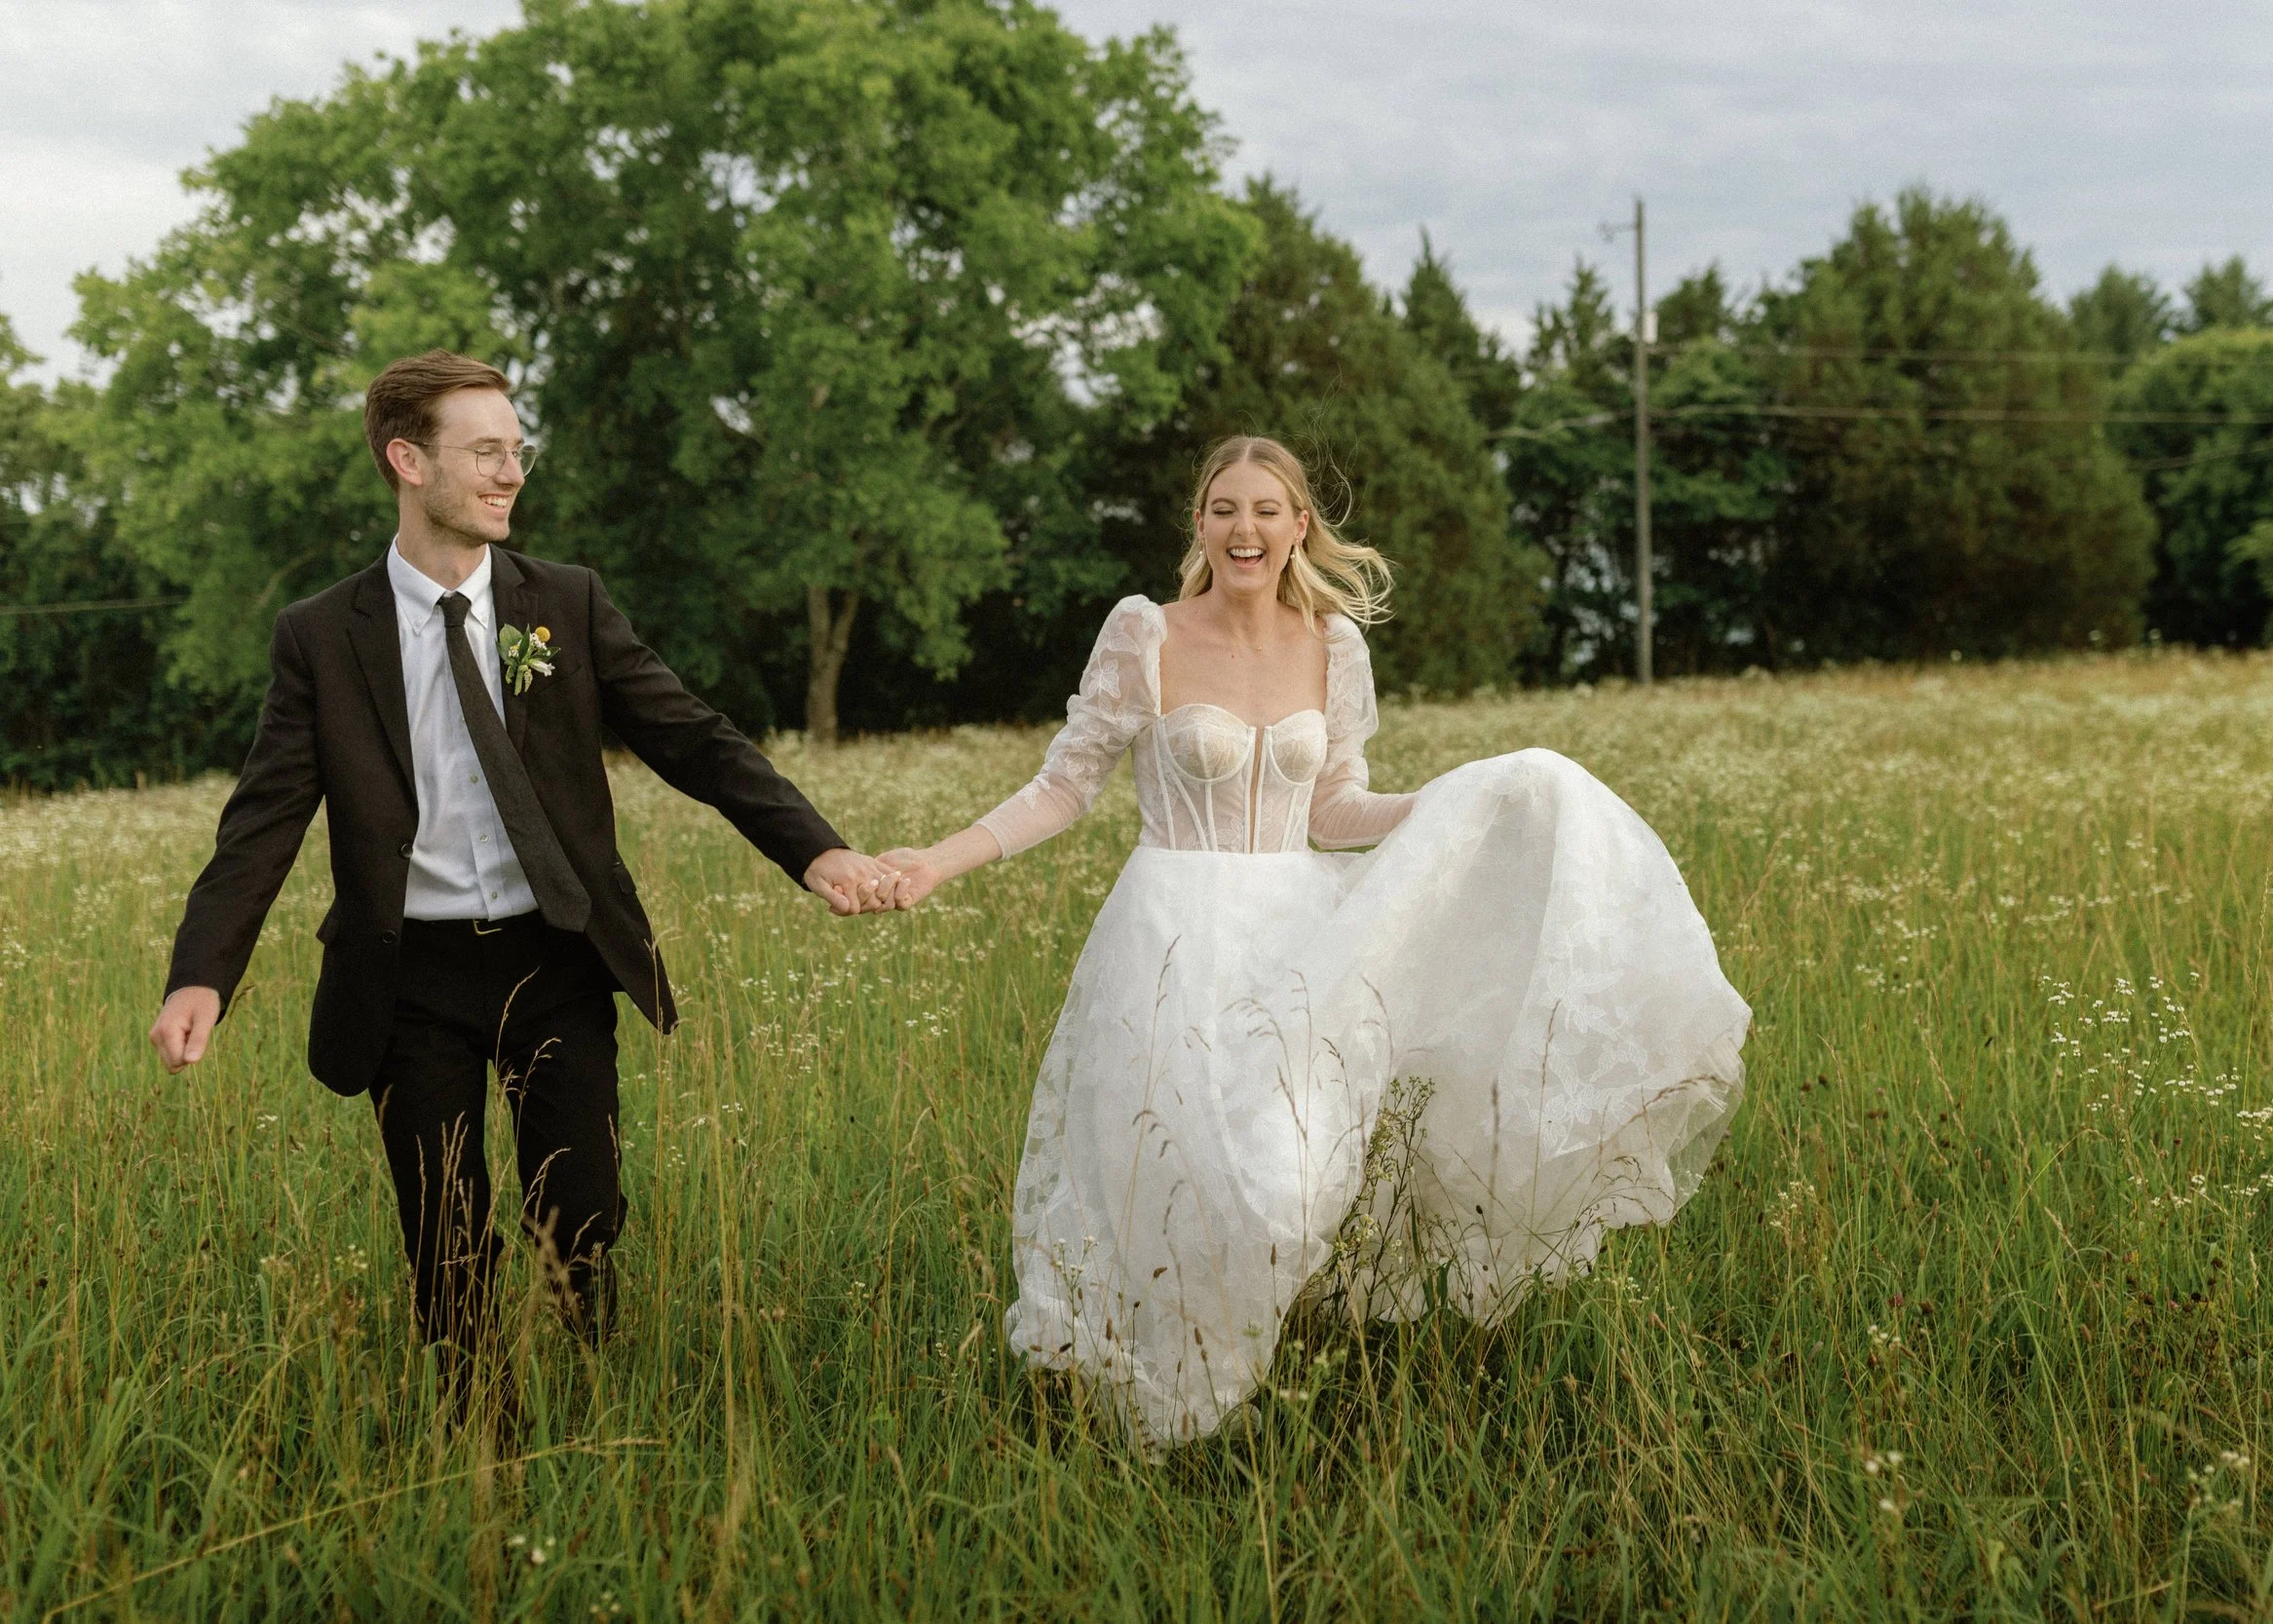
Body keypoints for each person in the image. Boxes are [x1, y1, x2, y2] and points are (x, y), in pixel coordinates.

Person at [878, 434, 1750, 1447]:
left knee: (1289, 1179)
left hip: (1302, 938)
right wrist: (935, 861)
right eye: (1222, 508)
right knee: (1167, 1169)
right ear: (1199, 524)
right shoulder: (1143, 631)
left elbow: (1332, 809)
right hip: (1169, 931)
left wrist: (1461, 804)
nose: (1242, 528)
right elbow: (1064, 785)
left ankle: (1228, 1377)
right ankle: (1152, 1416)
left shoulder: (1332, 643)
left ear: (1300, 526)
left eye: (1264, 509)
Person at [147, 350, 899, 1398]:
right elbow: (263, 819)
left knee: (581, 1220)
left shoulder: (567, 604)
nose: (511, 473)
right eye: (486, 452)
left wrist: (814, 848)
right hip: (410, 976)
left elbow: (696, 738)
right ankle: (477, 1435)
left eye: (517, 450)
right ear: (407, 460)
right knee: (445, 1237)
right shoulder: (322, 635)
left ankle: (589, 1391)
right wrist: (201, 975)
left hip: (557, 960)